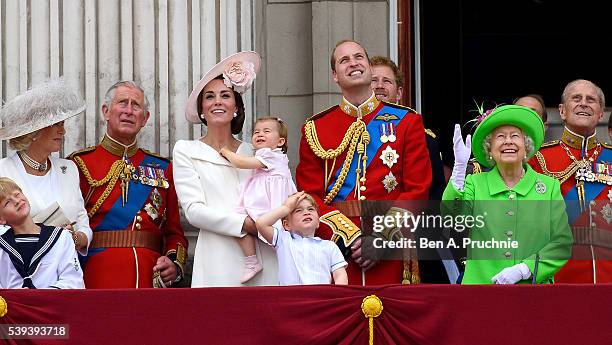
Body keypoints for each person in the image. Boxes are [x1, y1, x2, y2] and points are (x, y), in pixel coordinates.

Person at [296, 40, 432, 286]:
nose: (353, 63)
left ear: (369, 67)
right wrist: (348, 238)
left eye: (358, 57)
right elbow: (310, 195)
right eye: (344, 60)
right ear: (335, 75)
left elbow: (417, 190)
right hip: (335, 251)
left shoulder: (407, 122)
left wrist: (381, 239)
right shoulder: (315, 128)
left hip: (392, 248)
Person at [174, 51, 279, 287]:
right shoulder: (186, 150)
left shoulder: (254, 152)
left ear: (236, 107)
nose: (217, 102)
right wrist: (245, 224)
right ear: (202, 109)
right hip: (217, 255)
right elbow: (193, 211)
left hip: (264, 252)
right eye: (209, 97)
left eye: (225, 95)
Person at [69, 80, 187, 289]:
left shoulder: (163, 168)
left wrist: (174, 264)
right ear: (106, 111)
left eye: (136, 105)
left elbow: (174, 232)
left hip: (149, 276)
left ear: (145, 118)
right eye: (122, 103)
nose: (129, 111)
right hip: (95, 275)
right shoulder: (79, 164)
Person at [445, 105, 573, 284]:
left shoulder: (548, 187)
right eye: (500, 137)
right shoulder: (475, 184)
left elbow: (562, 243)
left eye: (515, 136)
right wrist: (458, 174)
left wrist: (525, 269)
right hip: (481, 290)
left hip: (532, 292)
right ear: (489, 149)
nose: (508, 142)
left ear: (526, 146)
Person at [370, 55, 459, 283]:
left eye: (386, 81)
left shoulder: (422, 137)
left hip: (412, 241)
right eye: (373, 80)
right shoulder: (351, 138)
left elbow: (433, 198)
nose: (379, 86)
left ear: (399, 93)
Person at [528, 79, 612, 283]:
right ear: (562, 111)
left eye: (591, 100)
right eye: (576, 98)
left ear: (601, 113)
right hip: (558, 273)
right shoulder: (537, 159)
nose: (584, 103)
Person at [0, 78, 92, 256]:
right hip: (20, 271)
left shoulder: (69, 169)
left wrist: (75, 238)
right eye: (56, 124)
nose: (62, 131)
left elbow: (83, 223)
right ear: (35, 131)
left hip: (66, 271)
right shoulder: (3, 170)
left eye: (63, 124)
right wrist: (39, 236)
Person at [219, 116, 297, 283]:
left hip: (269, 202)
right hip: (261, 199)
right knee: (237, 223)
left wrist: (225, 151)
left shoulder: (271, 155)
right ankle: (251, 260)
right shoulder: (267, 155)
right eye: (256, 132)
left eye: (266, 131)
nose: (260, 134)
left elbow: (241, 162)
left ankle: (253, 260)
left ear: (280, 141)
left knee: (242, 223)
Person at [0, 177, 84, 289]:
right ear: (1, 219)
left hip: (53, 304)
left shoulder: (62, 237)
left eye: (17, 194)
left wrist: (40, 298)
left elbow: (74, 282)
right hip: (13, 306)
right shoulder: (2, 246)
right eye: (7, 203)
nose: (16, 201)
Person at [256, 191, 348, 285]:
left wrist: (337, 297)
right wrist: (286, 208)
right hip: (292, 297)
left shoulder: (329, 246)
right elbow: (261, 223)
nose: (306, 213)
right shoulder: (283, 240)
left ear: (318, 222)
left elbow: (340, 275)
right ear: (287, 225)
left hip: (320, 297)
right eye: (299, 210)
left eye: (311, 209)